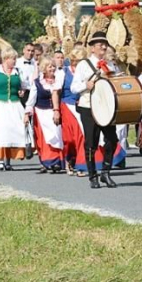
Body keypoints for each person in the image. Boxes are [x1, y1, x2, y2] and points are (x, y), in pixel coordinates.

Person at [70, 31, 120, 189]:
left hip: (107, 108)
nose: (103, 47)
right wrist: (86, 85)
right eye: (100, 45)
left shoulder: (110, 65)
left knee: (112, 139)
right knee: (91, 142)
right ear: (92, 48)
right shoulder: (83, 65)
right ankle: (93, 176)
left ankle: (106, 172)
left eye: (105, 44)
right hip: (88, 107)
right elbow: (73, 88)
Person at [0, 49, 27, 171]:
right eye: (12, 59)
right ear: (6, 59)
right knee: (2, 131)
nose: (14, 61)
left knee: (14, 130)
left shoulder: (17, 72)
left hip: (14, 104)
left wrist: (21, 92)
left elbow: (23, 87)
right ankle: (0, 160)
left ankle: (8, 160)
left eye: (15, 59)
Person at [25, 56, 65, 173]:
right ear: (44, 69)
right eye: (49, 66)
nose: (52, 68)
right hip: (41, 112)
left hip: (55, 111)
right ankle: (48, 162)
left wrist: (57, 110)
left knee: (57, 135)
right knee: (44, 138)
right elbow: (32, 99)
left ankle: (57, 161)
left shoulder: (59, 80)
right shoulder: (37, 83)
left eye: (53, 66)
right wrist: (27, 113)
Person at [61, 46, 87, 177]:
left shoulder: (87, 72)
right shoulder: (63, 72)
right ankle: (69, 158)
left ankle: (81, 165)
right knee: (69, 139)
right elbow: (56, 91)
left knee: (82, 135)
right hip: (67, 105)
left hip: (82, 105)